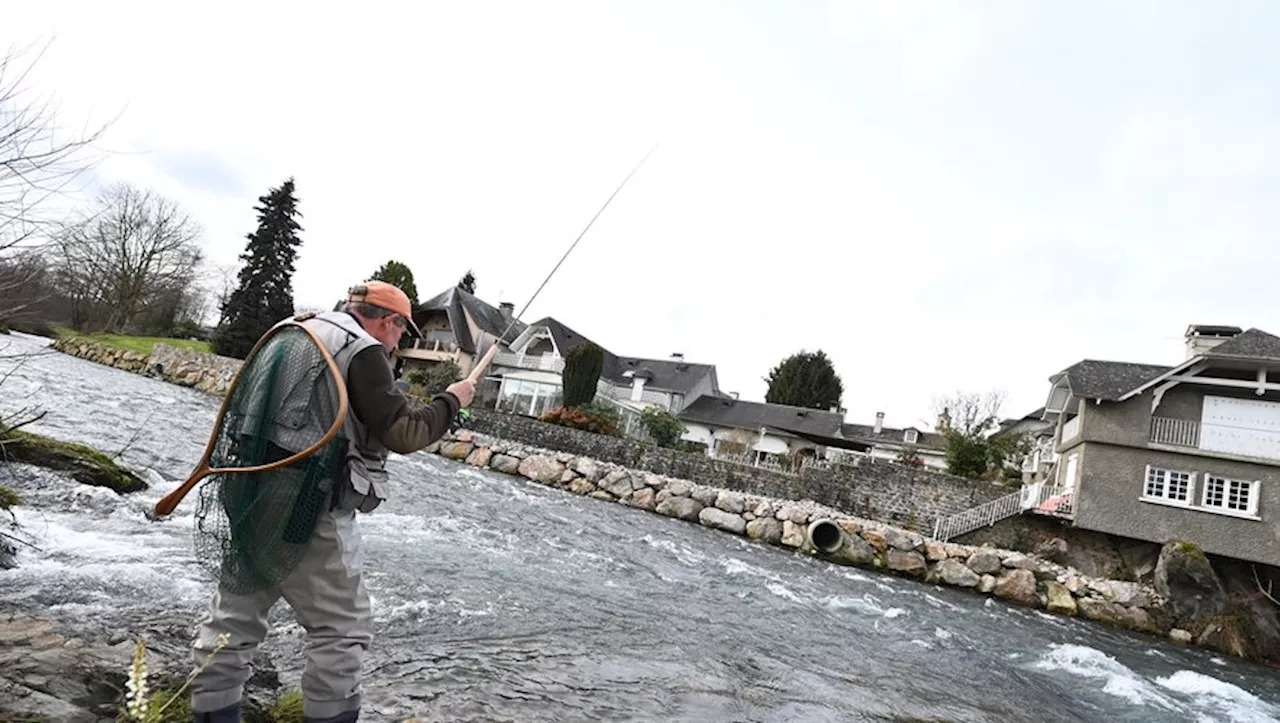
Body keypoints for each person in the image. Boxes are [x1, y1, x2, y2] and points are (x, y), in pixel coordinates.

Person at [189, 280, 477, 723]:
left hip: (243, 489)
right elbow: (403, 432)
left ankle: (208, 713)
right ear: (388, 321)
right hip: (305, 504)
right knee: (341, 630)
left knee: (234, 617)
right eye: (403, 331)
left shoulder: (291, 330)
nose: (399, 343)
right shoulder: (363, 350)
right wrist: (451, 401)